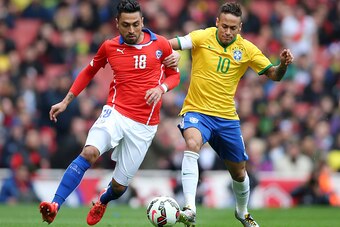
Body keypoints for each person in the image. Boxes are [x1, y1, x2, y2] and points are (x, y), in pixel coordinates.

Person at [38, 0, 180, 225]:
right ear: (117, 24)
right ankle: (55, 204)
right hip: (115, 112)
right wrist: (66, 101)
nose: (131, 30)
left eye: (135, 24)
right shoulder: (109, 47)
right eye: (126, 25)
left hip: (144, 124)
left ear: (142, 21)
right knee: (89, 153)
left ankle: (103, 200)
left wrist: (160, 88)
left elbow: (174, 75)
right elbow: (88, 71)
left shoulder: (160, 44)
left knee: (119, 186)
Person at [165, 2, 294, 227]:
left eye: (233, 28)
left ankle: (242, 212)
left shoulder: (247, 49)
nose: (227, 32)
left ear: (240, 27)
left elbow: (275, 75)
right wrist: (169, 52)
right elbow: (173, 43)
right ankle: (189, 208)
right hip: (197, 111)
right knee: (192, 144)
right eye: (224, 26)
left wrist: (282, 64)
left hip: (226, 118)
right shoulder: (203, 36)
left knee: (240, 174)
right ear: (217, 23)